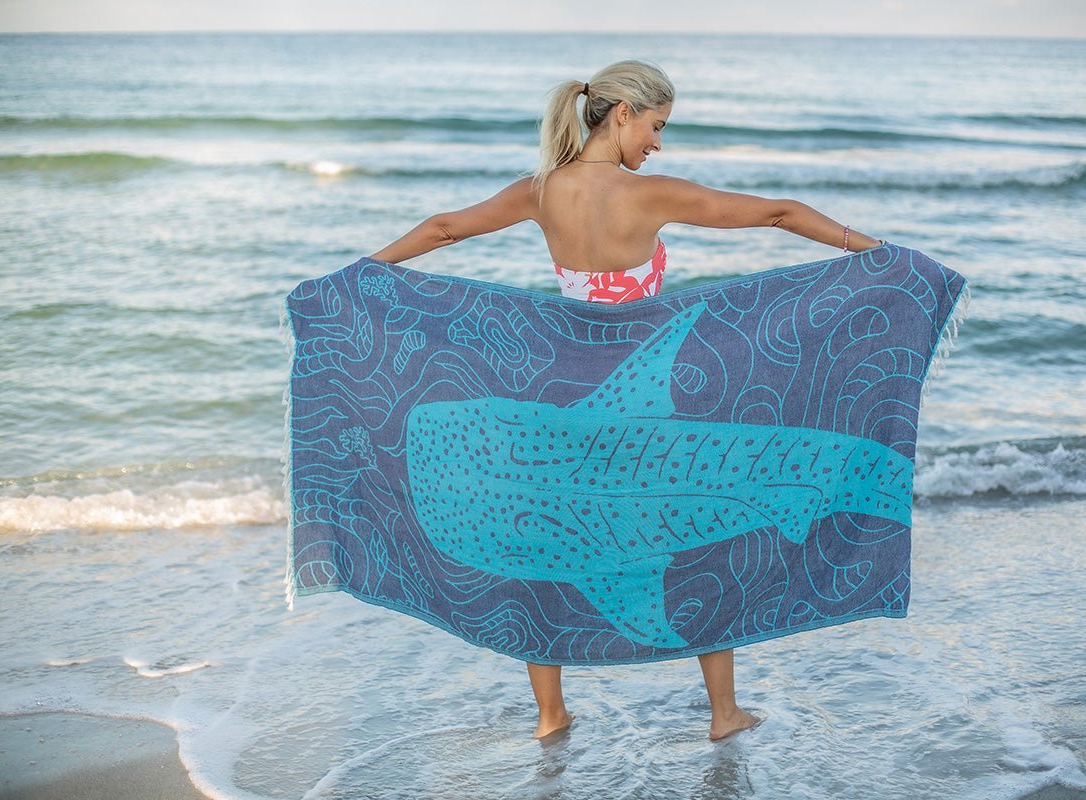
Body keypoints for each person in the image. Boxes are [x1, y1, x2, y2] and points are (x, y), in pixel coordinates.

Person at [369, 59, 884, 742]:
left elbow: (441, 229)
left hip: (567, 405)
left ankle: (552, 716)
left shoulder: (541, 190)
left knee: (544, 547)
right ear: (621, 114)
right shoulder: (652, 194)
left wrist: (359, 275)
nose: (658, 144)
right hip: (638, 415)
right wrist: (879, 254)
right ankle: (724, 715)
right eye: (657, 125)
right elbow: (779, 214)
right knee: (698, 549)